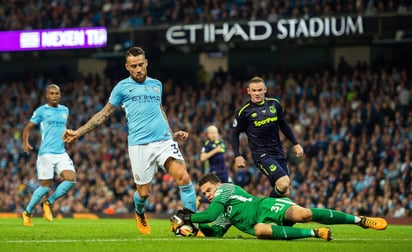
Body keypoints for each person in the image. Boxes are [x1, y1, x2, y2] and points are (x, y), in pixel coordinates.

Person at [63, 46, 197, 235]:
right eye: (133, 66)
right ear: (127, 67)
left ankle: (192, 223)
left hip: (163, 141)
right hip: (139, 145)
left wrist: (172, 134)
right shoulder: (121, 88)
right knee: (143, 193)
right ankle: (139, 212)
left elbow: (159, 111)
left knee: (183, 176)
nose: (138, 69)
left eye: (141, 64)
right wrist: (78, 132)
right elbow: (104, 114)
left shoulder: (156, 84)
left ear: (146, 63)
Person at [171, 174, 388, 240]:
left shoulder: (226, 189)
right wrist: (197, 231)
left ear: (217, 185)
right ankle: (315, 233)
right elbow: (215, 230)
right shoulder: (222, 211)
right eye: (205, 193)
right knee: (259, 231)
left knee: (303, 213)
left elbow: (209, 215)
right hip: (261, 222)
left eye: (208, 190)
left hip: (266, 206)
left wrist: (188, 218)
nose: (208, 195)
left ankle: (360, 220)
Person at [231, 76, 304, 198]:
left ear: (265, 89)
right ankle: (263, 207)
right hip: (261, 155)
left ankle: (273, 216)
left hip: (278, 152)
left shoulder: (274, 104)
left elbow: (283, 124)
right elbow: (234, 134)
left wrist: (295, 143)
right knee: (284, 182)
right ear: (248, 91)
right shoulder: (244, 112)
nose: (257, 93)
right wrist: (237, 155)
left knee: (285, 192)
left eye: (260, 90)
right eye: (254, 91)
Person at [21, 84, 76, 226]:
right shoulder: (41, 111)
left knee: (71, 179)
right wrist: (25, 142)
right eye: (52, 93)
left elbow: (60, 128)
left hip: (61, 152)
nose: (55, 95)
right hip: (46, 154)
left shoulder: (65, 110)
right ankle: (27, 212)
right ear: (47, 95)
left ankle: (48, 203)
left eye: (57, 93)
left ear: (60, 94)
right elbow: (28, 128)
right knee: (45, 186)